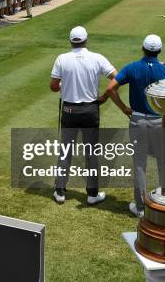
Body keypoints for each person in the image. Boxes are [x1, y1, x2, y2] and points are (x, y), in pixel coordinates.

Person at [101, 34, 165, 218]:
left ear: (143, 48)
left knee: (140, 165)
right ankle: (164, 203)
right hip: (160, 121)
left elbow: (110, 89)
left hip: (138, 120)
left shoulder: (133, 67)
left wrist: (124, 108)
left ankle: (140, 208)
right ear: (158, 51)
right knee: (163, 162)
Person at [50, 26, 116, 205]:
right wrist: (104, 97)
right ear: (86, 40)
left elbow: (53, 86)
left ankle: (60, 191)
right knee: (92, 153)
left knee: (65, 151)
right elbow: (115, 77)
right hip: (90, 111)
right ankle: (92, 193)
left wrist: (64, 85)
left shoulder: (62, 59)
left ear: (71, 41)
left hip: (69, 111)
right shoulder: (97, 58)